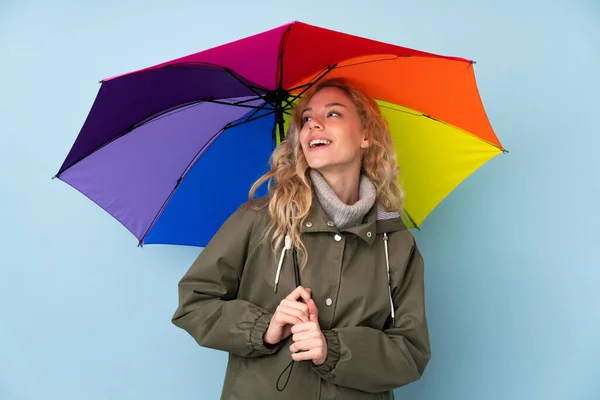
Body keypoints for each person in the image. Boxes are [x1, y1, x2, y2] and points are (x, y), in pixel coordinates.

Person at [172, 77, 431, 399]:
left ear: (366, 135)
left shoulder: (396, 242)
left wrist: (333, 349)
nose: (314, 125)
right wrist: (263, 327)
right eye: (306, 119)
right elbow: (195, 303)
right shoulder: (260, 219)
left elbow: (410, 353)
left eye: (333, 114)